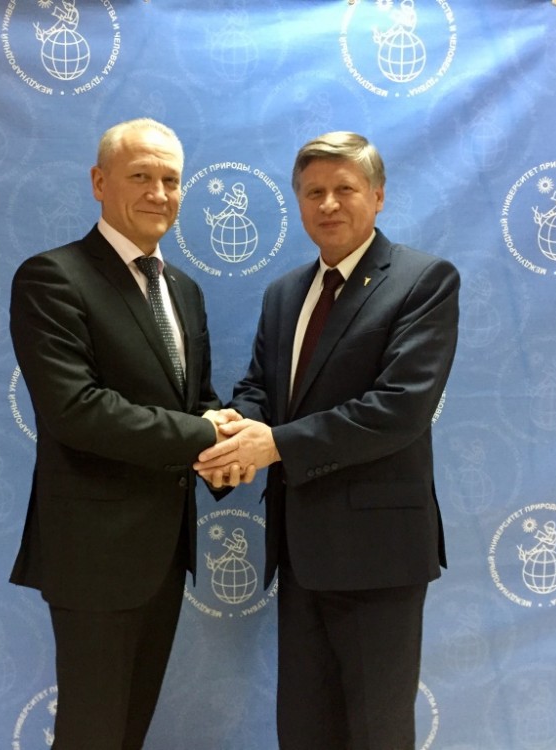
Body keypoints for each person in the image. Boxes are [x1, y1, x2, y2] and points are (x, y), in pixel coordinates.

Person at [194, 131, 459, 749]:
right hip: (300, 550)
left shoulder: (423, 281)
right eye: (314, 192)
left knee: (375, 731)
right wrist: (233, 431)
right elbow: (260, 388)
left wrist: (274, 445)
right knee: (304, 729)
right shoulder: (285, 293)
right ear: (299, 202)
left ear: (378, 196)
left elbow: (399, 408)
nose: (329, 204)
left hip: (379, 556)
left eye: (345, 188)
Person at [8, 118, 246, 750]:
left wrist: (228, 448)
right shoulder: (53, 277)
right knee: (91, 734)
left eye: (171, 180)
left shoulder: (184, 290)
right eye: (140, 175)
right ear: (99, 182)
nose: (158, 193)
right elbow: (77, 410)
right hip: (93, 554)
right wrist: (203, 434)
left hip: (163, 553)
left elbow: (196, 402)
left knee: (129, 732)